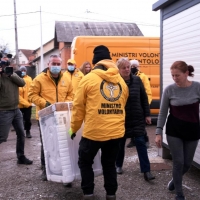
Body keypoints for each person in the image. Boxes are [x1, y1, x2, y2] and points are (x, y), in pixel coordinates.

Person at [68, 45, 129, 200]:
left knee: (85, 161)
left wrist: (73, 128)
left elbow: (78, 107)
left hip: (94, 132)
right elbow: (123, 105)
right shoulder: (121, 82)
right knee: (109, 164)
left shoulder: (87, 79)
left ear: (96, 62)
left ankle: (88, 193)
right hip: (116, 133)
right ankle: (111, 194)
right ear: (110, 61)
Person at [155, 61, 200, 200]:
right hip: (174, 131)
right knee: (178, 162)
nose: (175, 78)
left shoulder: (197, 87)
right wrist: (158, 132)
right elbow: (162, 113)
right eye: (172, 75)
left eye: (177, 75)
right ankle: (179, 194)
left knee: (187, 163)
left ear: (186, 73)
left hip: (193, 130)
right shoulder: (169, 90)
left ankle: (175, 181)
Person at [28, 54, 74, 181]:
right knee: (47, 144)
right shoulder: (39, 79)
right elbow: (31, 95)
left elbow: (71, 93)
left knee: (64, 143)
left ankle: (63, 168)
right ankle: (45, 168)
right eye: (53, 64)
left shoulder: (66, 79)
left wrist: (64, 104)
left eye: (58, 64)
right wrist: (46, 104)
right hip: (46, 117)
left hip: (62, 116)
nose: (56, 66)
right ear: (48, 65)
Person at [115, 57, 155, 182]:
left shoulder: (137, 80)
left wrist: (147, 115)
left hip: (137, 117)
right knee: (120, 145)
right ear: (119, 69)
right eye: (124, 68)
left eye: (128, 67)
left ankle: (146, 171)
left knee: (141, 144)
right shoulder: (115, 82)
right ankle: (118, 165)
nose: (127, 69)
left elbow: (144, 98)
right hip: (122, 119)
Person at [0, 54, 33, 165]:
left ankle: (21, 156)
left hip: (16, 109)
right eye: (2, 64)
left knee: (21, 133)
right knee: (2, 136)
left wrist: (10, 75)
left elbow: (22, 83)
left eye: (5, 64)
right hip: (4, 110)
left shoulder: (12, 74)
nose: (4, 67)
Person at [126, 59, 152, 149]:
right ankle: (133, 141)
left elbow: (147, 91)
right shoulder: (128, 76)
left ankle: (146, 140)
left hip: (140, 104)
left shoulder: (142, 76)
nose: (133, 68)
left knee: (141, 125)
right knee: (132, 124)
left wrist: (146, 105)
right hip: (132, 104)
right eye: (131, 66)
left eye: (134, 66)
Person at [18, 66, 33, 138]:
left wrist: (30, 101)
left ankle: (28, 131)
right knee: (19, 120)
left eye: (24, 70)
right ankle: (20, 133)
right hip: (19, 105)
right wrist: (25, 103)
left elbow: (32, 90)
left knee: (27, 119)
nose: (23, 71)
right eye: (22, 70)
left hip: (28, 104)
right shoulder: (17, 79)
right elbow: (16, 95)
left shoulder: (29, 79)